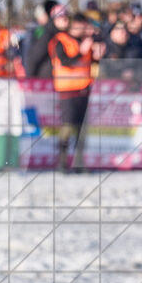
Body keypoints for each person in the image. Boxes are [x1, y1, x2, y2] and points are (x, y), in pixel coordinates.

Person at [49, 12, 97, 172]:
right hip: (67, 89)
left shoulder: (86, 42)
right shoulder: (61, 40)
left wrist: (97, 53)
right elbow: (65, 61)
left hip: (84, 89)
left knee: (82, 128)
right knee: (68, 126)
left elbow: (91, 62)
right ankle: (62, 162)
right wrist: (82, 51)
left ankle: (79, 162)